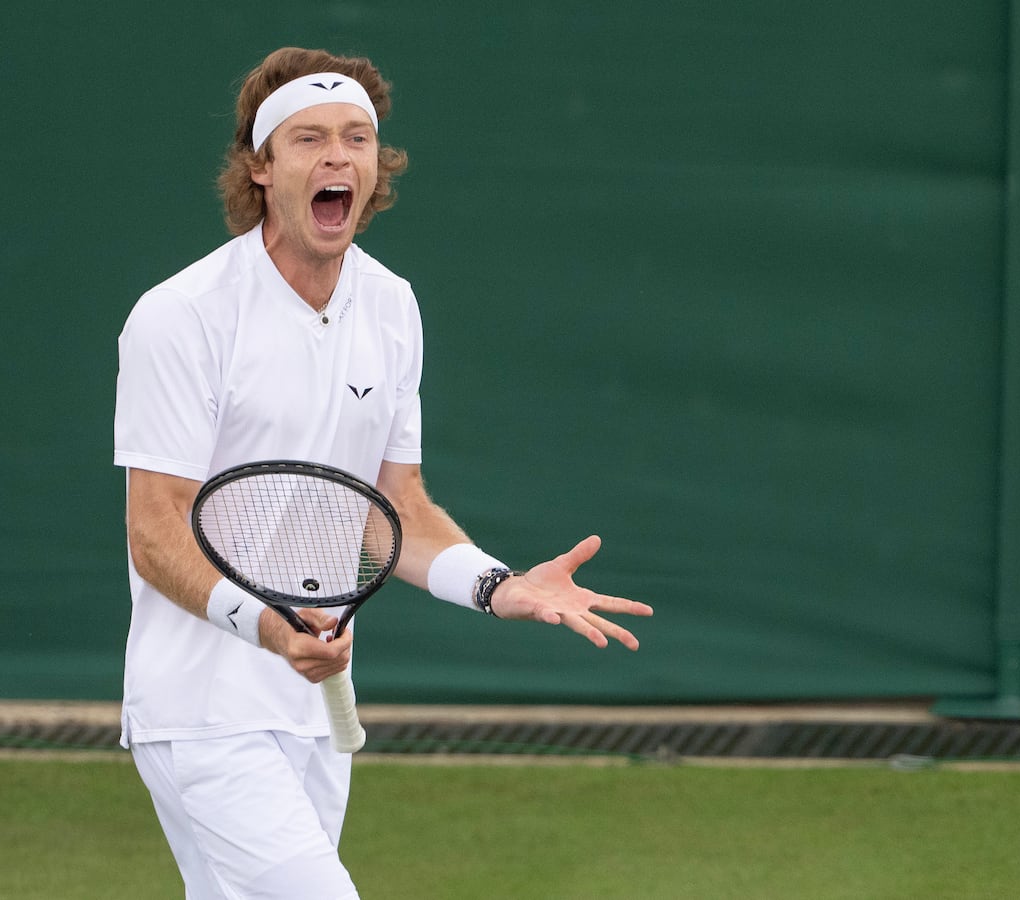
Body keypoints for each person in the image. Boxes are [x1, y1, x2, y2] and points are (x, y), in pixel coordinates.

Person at [112, 47, 653, 899]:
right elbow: (155, 530)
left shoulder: (392, 305)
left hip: (314, 711)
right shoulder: (181, 317)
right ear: (260, 167)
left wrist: (498, 586)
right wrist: (268, 628)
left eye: (357, 138)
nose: (339, 157)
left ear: (376, 165)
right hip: (204, 709)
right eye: (309, 139)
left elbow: (391, 507)